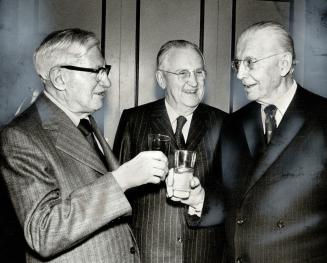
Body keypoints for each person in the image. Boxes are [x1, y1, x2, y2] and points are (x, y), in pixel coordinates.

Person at [0, 28, 168, 263]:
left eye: (105, 70)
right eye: (97, 72)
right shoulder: (21, 136)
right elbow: (43, 233)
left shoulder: (84, 120)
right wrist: (121, 179)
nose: (107, 81)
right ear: (60, 78)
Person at [170, 21, 327, 263]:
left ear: (284, 64)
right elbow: (231, 202)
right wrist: (199, 198)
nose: (240, 74)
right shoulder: (233, 124)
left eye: (250, 63)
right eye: (237, 64)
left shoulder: (322, 117)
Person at [113, 40, 226, 263]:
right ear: (161, 79)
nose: (193, 81)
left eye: (199, 72)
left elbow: (235, 198)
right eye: (182, 73)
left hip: (205, 255)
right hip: (147, 254)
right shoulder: (134, 121)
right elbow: (116, 193)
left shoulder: (225, 124)